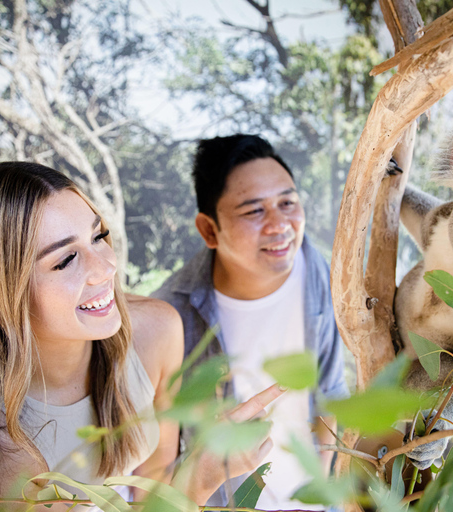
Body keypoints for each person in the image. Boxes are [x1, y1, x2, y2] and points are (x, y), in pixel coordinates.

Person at [0, 162, 281, 504]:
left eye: (98, 236)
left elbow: (152, 480)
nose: (105, 268)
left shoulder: (155, 331)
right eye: (66, 260)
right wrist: (201, 477)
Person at [152, 134, 349, 509]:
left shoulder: (323, 272)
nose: (280, 225)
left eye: (287, 203)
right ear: (209, 230)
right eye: (254, 211)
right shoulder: (171, 314)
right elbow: (157, 463)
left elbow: (331, 393)